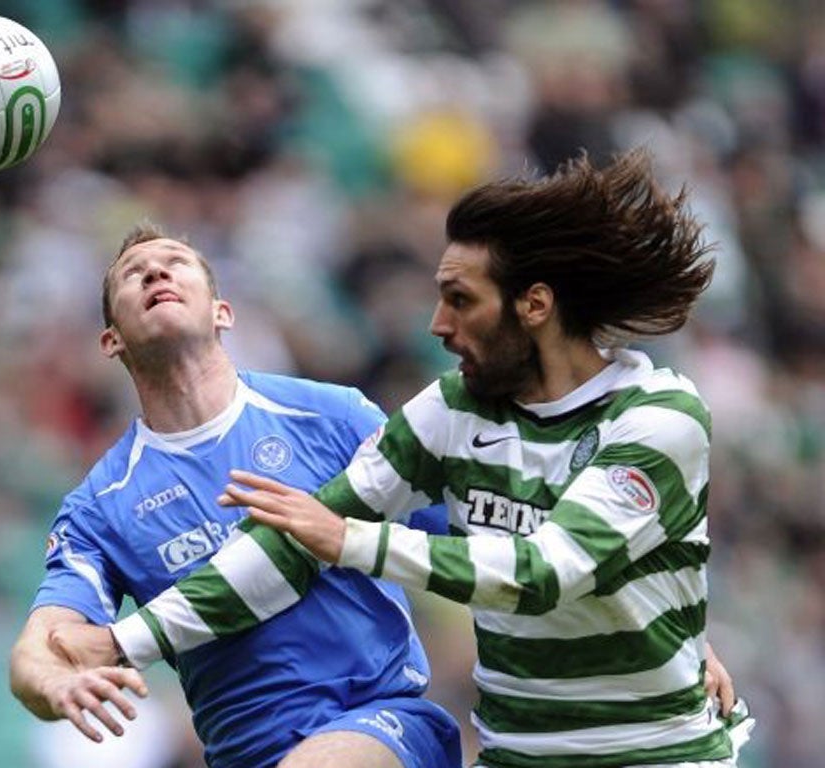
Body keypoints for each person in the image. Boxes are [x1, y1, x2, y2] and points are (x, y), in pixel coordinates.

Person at [52, 151, 754, 768]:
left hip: (651, 753)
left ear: (534, 306)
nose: (437, 325)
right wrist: (121, 643)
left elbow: (546, 573)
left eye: (460, 301)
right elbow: (289, 547)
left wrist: (351, 541)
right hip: (517, 755)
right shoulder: (452, 411)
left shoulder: (658, 418)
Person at [8, 224, 462, 768]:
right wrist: (53, 685)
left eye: (175, 262)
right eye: (133, 274)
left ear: (222, 312)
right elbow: (39, 651)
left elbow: (461, 528)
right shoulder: (101, 506)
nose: (155, 272)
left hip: (379, 721)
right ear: (112, 341)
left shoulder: (331, 415)